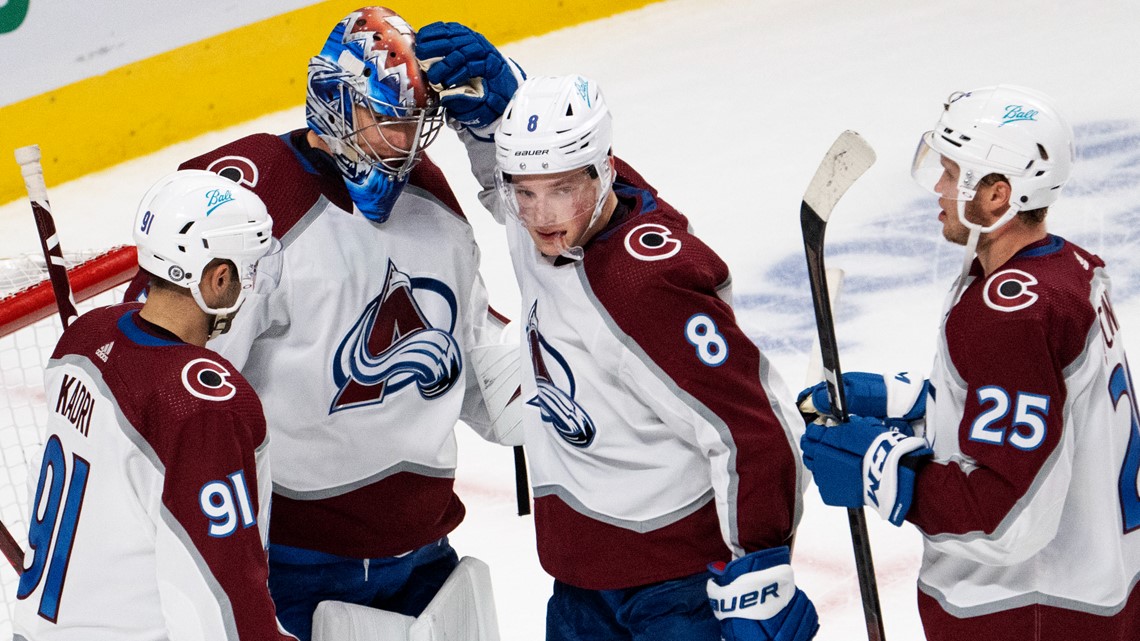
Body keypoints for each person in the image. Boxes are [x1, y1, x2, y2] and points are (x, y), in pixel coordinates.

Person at [124, 8, 518, 641]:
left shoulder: (432, 201)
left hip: (427, 563)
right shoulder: (248, 205)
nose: (406, 142)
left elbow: (478, 368)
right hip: (289, 576)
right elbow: (168, 375)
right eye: (388, 120)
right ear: (335, 102)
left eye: (416, 121)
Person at [415, 23, 820, 639]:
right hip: (581, 579)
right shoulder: (545, 228)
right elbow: (520, 188)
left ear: (602, 173)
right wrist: (499, 113)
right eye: (524, 192)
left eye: (560, 189)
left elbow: (752, 427)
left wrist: (761, 569)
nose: (540, 216)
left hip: (677, 587)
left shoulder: (643, 285)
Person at [797, 85, 1140, 640]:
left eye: (952, 173)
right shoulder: (1062, 271)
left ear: (998, 194)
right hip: (1083, 595)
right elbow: (1041, 420)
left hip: (1031, 608)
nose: (938, 186)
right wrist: (908, 402)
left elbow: (1006, 518)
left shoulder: (1011, 316)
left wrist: (882, 469)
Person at [12, 170, 291, 640]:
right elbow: (217, 600)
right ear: (218, 277)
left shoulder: (87, 336)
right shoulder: (203, 407)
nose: (254, 286)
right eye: (249, 270)